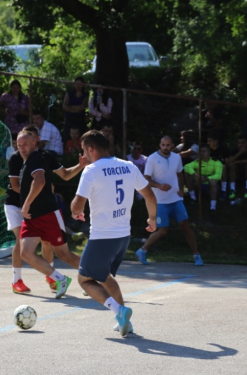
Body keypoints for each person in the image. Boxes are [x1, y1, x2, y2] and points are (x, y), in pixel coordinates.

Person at [71, 130, 157, 337]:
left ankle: (120, 310)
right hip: (122, 237)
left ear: (91, 149)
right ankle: (126, 323)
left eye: (84, 150)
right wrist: (152, 219)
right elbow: (149, 195)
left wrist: (77, 211)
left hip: (102, 236)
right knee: (106, 278)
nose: (84, 154)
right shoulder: (129, 166)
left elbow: (76, 206)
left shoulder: (91, 170)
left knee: (84, 280)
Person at [5, 126, 89, 294]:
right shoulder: (24, 160)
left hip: (47, 214)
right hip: (31, 217)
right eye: (19, 145)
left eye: (25, 144)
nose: (22, 148)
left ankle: (93, 278)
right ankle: (60, 279)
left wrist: (27, 203)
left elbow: (41, 181)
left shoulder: (36, 158)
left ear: (35, 142)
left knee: (64, 255)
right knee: (26, 252)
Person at [135, 136, 204, 266]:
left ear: (172, 145)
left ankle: (197, 255)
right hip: (160, 201)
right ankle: (142, 250)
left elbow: (179, 174)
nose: (165, 147)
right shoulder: (152, 158)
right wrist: (159, 186)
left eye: (168, 145)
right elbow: (146, 179)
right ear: (160, 145)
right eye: (163, 145)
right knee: (163, 230)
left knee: (186, 226)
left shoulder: (176, 157)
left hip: (176, 198)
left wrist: (181, 189)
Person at [183, 145, 223, 215]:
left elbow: (218, 175)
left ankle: (212, 207)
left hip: (210, 187)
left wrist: (206, 179)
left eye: (204, 151)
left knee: (213, 182)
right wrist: (197, 175)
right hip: (198, 185)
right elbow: (186, 167)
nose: (201, 153)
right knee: (188, 173)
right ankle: (193, 197)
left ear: (209, 152)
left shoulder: (216, 162)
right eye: (200, 151)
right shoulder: (197, 162)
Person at [207, 132, 229, 200]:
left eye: (210, 141)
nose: (208, 143)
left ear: (216, 142)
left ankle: (223, 190)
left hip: (219, 170)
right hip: (208, 168)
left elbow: (227, 161)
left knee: (223, 167)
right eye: (208, 141)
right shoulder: (207, 150)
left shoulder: (223, 150)